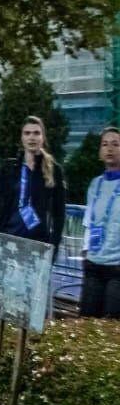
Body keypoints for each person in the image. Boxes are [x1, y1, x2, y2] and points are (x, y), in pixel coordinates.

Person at [0, 117, 70, 253]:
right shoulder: (9, 168)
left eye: (36, 133)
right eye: (27, 133)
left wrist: (53, 247)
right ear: (22, 138)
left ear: (43, 137)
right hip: (5, 240)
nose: (31, 137)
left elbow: (59, 213)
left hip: (36, 245)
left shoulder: (54, 170)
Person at [82, 126, 120, 318]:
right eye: (105, 144)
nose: (110, 149)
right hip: (94, 264)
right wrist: (86, 252)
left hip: (117, 269)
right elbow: (89, 220)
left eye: (115, 144)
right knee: (86, 325)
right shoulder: (94, 184)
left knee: (110, 328)